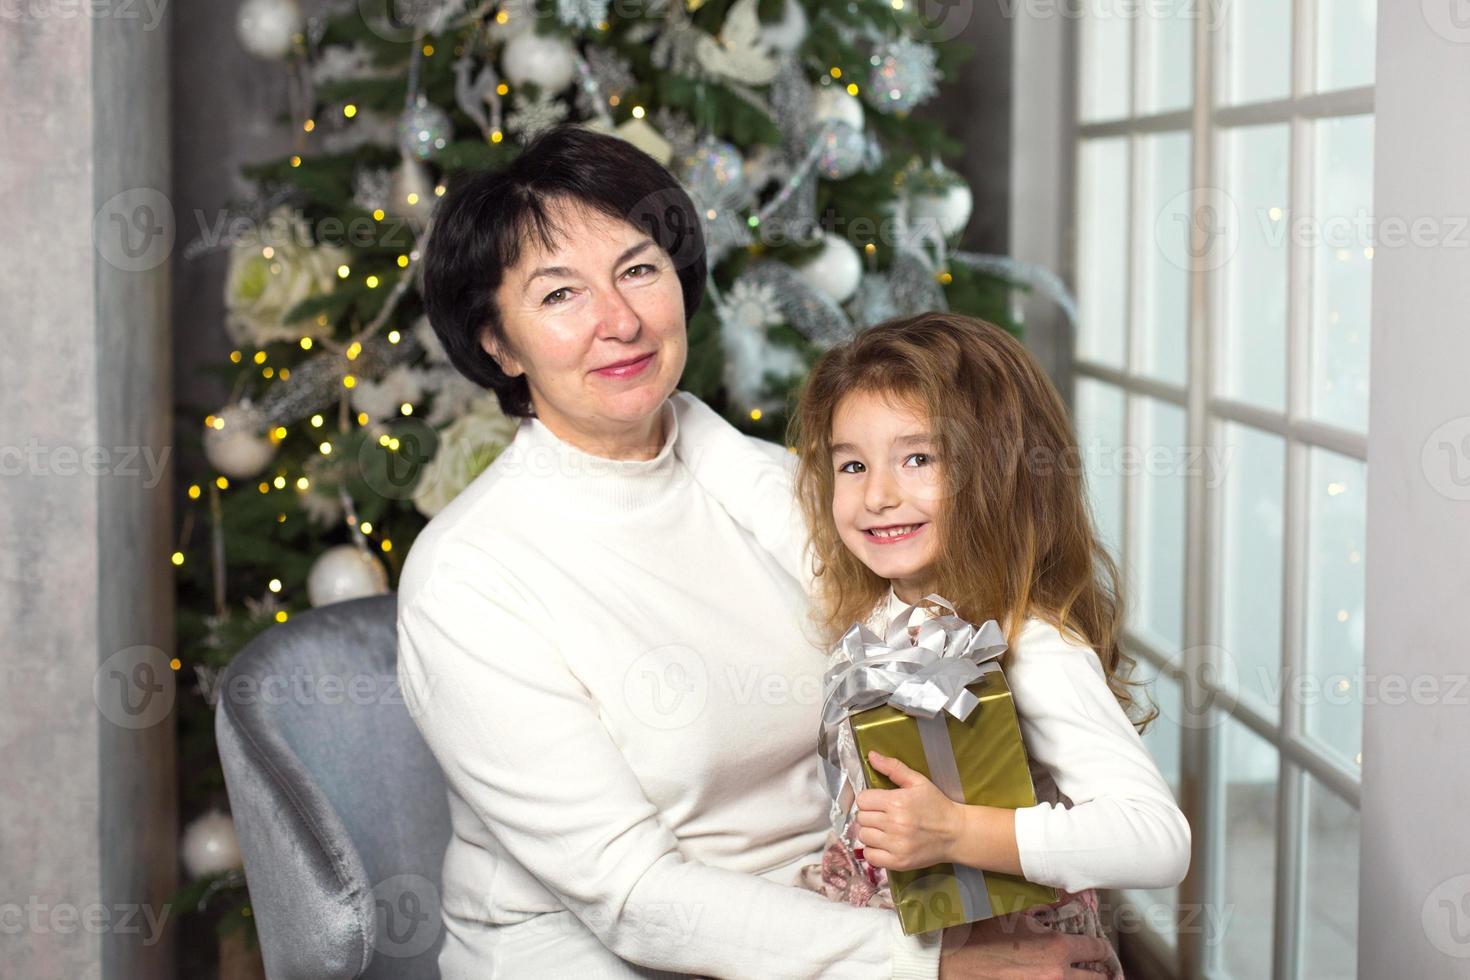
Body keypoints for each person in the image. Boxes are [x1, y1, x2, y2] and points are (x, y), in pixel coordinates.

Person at [398, 122, 1115, 978]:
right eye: (560, 295)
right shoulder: (468, 577)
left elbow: (953, 667)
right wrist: (933, 966)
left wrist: (999, 909)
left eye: (638, 270)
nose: (619, 320)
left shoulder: (788, 487)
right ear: (498, 344)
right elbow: (631, 898)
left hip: (839, 899)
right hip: (604, 952)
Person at [677, 313, 1193, 976]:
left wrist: (955, 832)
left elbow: (1157, 841)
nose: (879, 495)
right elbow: (751, 485)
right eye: (853, 465)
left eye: (918, 458)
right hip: (901, 950)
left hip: (1015, 958)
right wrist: (669, 408)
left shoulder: (1028, 643)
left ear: (1000, 471)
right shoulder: (873, 604)